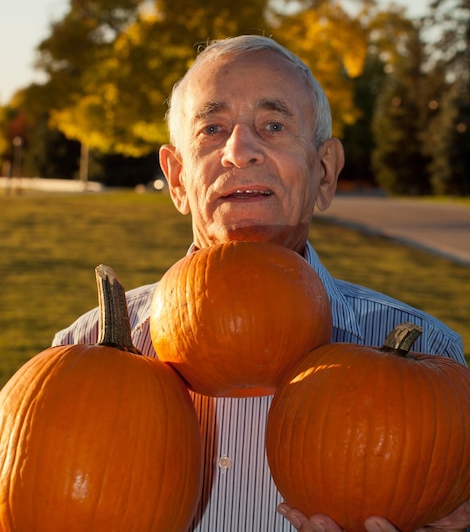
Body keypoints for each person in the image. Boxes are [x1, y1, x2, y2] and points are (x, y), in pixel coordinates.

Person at [53, 35, 469, 532]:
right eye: (212, 128)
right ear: (178, 178)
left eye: (273, 125)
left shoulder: (433, 360)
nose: (240, 151)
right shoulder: (78, 352)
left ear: (324, 172)